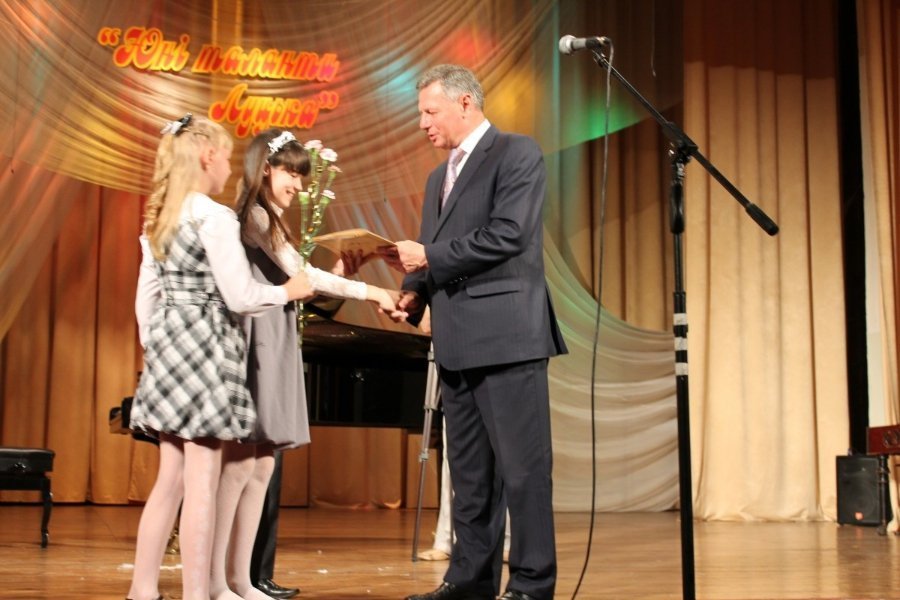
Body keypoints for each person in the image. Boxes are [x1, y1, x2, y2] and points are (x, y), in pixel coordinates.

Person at [380, 64, 567, 600]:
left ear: (465, 103)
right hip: (456, 342)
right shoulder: (437, 178)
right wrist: (414, 292)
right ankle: (468, 581)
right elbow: (434, 247)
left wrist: (427, 257)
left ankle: (531, 584)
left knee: (523, 472)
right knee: (469, 476)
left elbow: (508, 234)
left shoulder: (516, 152)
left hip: (508, 338)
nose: (423, 123)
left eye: (430, 111)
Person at [208, 128, 403, 600]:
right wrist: (373, 291)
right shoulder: (256, 214)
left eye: (302, 176)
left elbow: (300, 279)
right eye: (291, 173)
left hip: (275, 339)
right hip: (255, 341)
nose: (298, 184)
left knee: (261, 467)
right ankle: (215, 582)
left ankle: (242, 579)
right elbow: (300, 273)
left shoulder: (272, 218)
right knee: (240, 465)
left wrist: (337, 277)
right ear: (265, 168)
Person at [127, 114, 314, 600]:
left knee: (169, 481)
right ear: (207, 156)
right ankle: (197, 594)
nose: (230, 168)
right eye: (227, 157)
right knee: (202, 484)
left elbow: (145, 305)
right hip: (207, 351)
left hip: (168, 353)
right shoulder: (213, 217)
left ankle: (142, 590)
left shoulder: (159, 220)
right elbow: (239, 295)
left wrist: (162, 349)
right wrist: (287, 291)